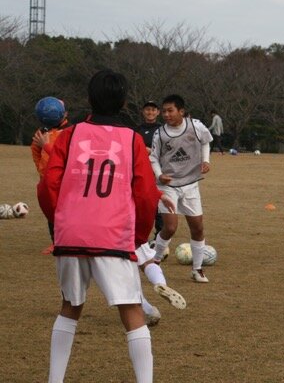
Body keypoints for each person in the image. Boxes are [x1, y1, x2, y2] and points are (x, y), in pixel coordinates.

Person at [37, 69, 173, 382]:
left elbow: (48, 185)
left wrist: (62, 221)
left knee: (70, 306)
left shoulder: (69, 135)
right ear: (125, 101)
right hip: (112, 236)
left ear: (89, 99)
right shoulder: (133, 140)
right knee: (131, 310)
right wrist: (137, 237)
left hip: (71, 233)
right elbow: (144, 192)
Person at [150, 94, 213, 283]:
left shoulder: (196, 126)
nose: (166, 114)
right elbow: (153, 157)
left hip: (191, 184)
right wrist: (159, 174)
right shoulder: (160, 133)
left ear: (181, 111)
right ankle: (155, 262)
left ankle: (197, 269)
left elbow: (205, 142)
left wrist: (206, 160)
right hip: (168, 186)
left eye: (170, 110)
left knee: (198, 227)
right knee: (170, 227)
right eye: (164, 111)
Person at [31, 96, 69, 253]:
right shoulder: (42, 132)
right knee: (50, 210)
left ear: (65, 114)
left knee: (65, 210)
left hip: (64, 178)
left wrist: (45, 146)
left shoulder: (69, 132)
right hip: (47, 178)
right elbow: (35, 151)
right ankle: (55, 241)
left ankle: (66, 240)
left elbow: (64, 157)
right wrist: (41, 169)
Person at [135, 101, 164, 239]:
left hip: (158, 171)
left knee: (159, 202)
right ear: (143, 111)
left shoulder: (163, 129)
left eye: (153, 110)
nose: (150, 112)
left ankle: (159, 236)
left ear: (158, 112)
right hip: (141, 170)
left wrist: (151, 151)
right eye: (147, 110)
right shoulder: (137, 130)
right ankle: (139, 236)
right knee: (142, 202)